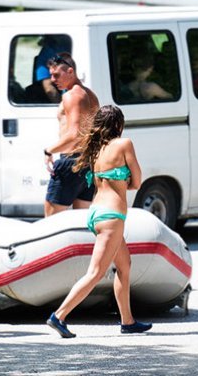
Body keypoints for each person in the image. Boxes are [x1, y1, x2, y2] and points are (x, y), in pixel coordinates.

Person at [46, 105, 152, 338]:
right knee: (95, 273)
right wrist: (122, 183)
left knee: (124, 267)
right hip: (112, 217)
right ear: (118, 125)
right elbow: (137, 182)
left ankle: (128, 321)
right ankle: (59, 316)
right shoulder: (124, 145)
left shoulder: (96, 149)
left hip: (96, 214)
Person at [42, 53, 100, 216]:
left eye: (56, 75)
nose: (53, 80)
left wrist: (49, 150)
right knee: (81, 223)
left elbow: (74, 133)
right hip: (88, 162)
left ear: (70, 71)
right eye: (51, 75)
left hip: (71, 162)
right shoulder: (90, 95)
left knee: (51, 223)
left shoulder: (72, 96)